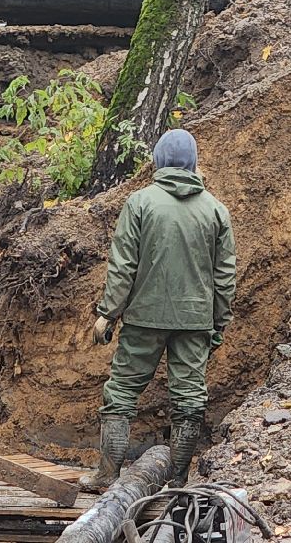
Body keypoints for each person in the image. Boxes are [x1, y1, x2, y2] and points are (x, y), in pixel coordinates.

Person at [82, 128, 238, 489]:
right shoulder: (216, 210)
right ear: (193, 163)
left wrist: (108, 312)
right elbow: (225, 275)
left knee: (121, 392)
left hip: (143, 319)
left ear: (158, 160)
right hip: (195, 320)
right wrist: (219, 322)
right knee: (188, 401)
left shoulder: (140, 202)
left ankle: (107, 476)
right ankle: (179, 480)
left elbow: (123, 265)